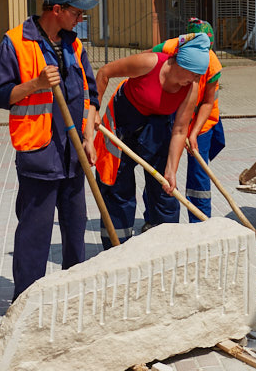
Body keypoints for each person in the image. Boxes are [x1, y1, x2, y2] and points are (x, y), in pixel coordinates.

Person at [0, 0, 99, 301]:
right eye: (77, 12)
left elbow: (90, 94)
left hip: (74, 152)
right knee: (35, 233)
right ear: (57, 10)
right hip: (39, 152)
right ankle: (26, 301)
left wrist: (89, 136)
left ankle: (73, 296)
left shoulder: (74, 45)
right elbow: (0, 95)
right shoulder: (16, 43)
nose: (81, 18)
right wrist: (35, 84)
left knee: (76, 230)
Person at [87, 34, 210, 246]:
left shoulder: (190, 89)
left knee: (165, 193)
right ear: (180, 63)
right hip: (122, 125)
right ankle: (117, 251)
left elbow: (180, 131)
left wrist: (171, 171)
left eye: (198, 76)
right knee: (117, 190)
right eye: (192, 74)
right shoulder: (149, 63)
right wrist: (94, 109)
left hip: (157, 129)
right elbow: (104, 72)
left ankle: (165, 250)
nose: (194, 80)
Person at [152, 19, 226, 221]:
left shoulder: (212, 64)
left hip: (201, 122)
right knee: (160, 167)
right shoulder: (168, 48)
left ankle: (201, 222)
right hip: (171, 115)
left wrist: (193, 133)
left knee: (198, 172)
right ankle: (154, 217)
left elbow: (208, 103)